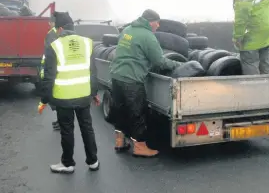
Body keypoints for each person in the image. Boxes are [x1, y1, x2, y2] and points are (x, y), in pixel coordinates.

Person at [110, 9, 181, 158]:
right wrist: (177, 64)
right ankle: (140, 147)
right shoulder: (148, 36)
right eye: (157, 22)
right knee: (137, 113)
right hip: (132, 79)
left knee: (120, 110)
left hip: (116, 76)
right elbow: (159, 61)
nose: (158, 26)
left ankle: (119, 141)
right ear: (150, 22)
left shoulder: (127, 30)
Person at [39, 11, 100, 174]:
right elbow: (93, 71)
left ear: (59, 29)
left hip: (63, 97)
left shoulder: (55, 46)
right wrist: (94, 93)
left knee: (67, 130)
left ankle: (67, 163)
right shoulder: (87, 43)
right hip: (83, 95)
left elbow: (49, 75)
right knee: (87, 127)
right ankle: (93, 161)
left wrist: (44, 100)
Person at [40, 16, 60, 130]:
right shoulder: (57, 32)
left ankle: (61, 122)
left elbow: (49, 52)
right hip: (57, 68)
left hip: (53, 69)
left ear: (53, 23)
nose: (49, 24)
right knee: (57, 98)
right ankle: (60, 121)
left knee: (55, 97)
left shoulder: (51, 34)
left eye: (50, 22)